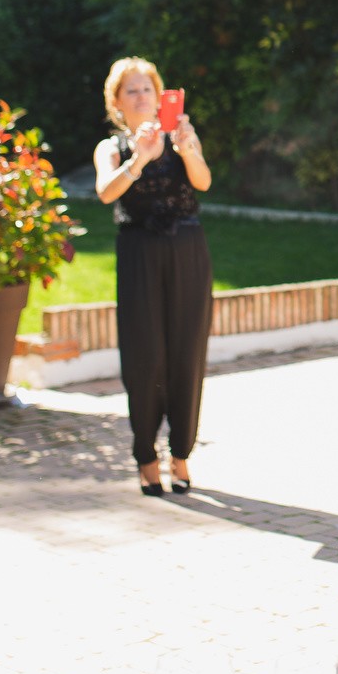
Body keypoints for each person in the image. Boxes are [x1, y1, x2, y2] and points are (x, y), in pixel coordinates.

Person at [94, 57, 214, 496]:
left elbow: (203, 183)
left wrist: (188, 149)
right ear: (117, 102)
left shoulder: (181, 137)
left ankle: (181, 453)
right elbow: (106, 191)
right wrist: (139, 159)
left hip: (187, 249)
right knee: (145, 354)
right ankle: (146, 455)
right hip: (139, 253)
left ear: (160, 96)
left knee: (187, 351)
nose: (142, 96)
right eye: (132, 90)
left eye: (148, 88)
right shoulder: (111, 147)